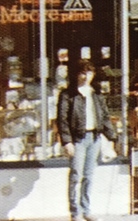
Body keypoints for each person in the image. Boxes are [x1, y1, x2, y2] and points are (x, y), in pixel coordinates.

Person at [57, 59, 117, 221]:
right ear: (76, 74)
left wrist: (112, 137)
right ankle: (75, 212)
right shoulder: (68, 95)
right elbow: (62, 119)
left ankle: (86, 209)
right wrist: (67, 141)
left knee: (89, 176)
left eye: (89, 73)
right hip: (78, 139)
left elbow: (104, 117)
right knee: (76, 174)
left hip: (94, 138)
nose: (86, 76)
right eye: (82, 73)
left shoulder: (95, 94)